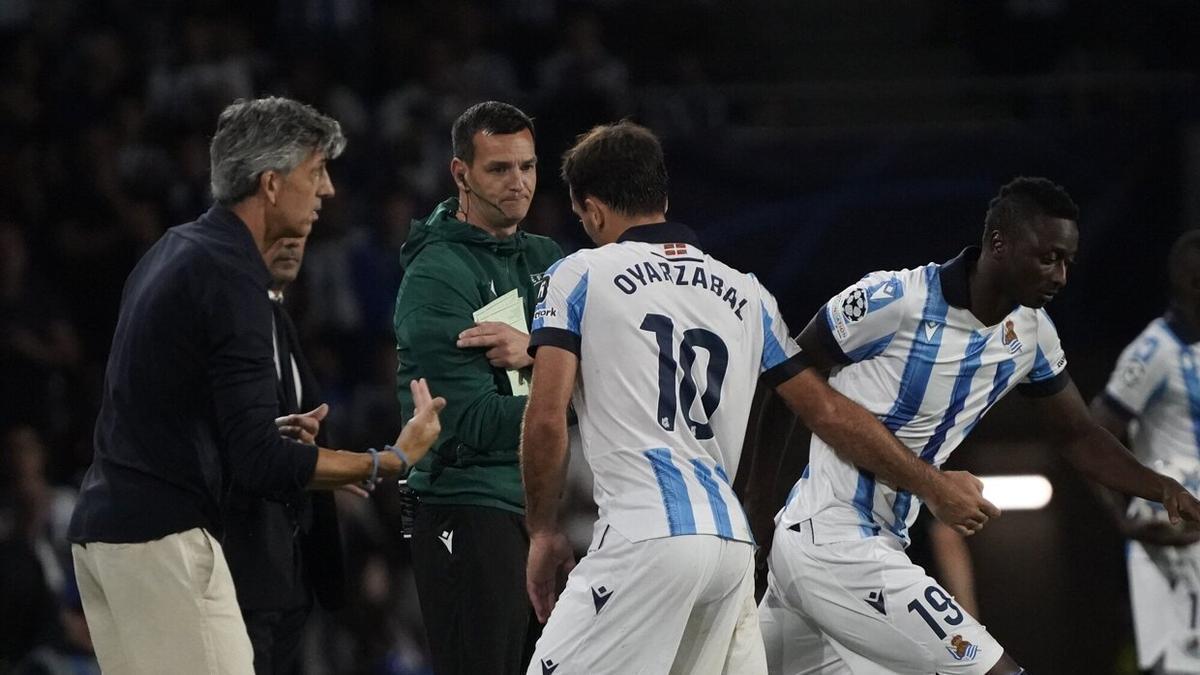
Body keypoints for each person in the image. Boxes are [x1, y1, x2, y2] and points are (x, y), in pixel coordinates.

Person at [520, 121, 999, 674]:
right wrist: (933, 484)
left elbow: (548, 419)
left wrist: (542, 529)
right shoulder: (747, 292)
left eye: (582, 218)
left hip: (644, 534)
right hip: (728, 546)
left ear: (592, 210)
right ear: (664, 197)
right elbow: (827, 412)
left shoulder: (578, 273)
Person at [757, 177, 1200, 675]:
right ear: (998, 243)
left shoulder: (1030, 334)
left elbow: (1078, 433)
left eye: (1068, 262)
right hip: (835, 542)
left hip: (859, 546)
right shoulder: (893, 300)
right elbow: (786, 380)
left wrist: (1160, 487)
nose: (1061, 277)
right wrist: (755, 514)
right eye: (1049, 257)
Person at [66, 97, 446, 675]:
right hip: (164, 541)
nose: (329, 192)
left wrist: (255, 428)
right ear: (271, 184)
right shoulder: (232, 276)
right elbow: (260, 460)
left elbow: (167, 406)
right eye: (316, 173)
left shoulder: (172, 251)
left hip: (107, 539)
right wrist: (387, 460)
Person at [392, 100, 563, 675]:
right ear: (461, 174)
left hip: (546, 508)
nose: (519, 184)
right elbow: (474, 422)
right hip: (468, 506)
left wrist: (538, 357)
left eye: (529, 167)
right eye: (499, 169)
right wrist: (564, 380)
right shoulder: (437, 274)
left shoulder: (549, 259)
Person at [220, 233, 351, 674]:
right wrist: (379, 463)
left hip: (293, 572)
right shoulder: (231, 328)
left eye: (298, 240)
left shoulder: (280, 321)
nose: (293, 248)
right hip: (245, 569)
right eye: (278, 239)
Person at [1091, 229, 1200, 674]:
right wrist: (1123, 520)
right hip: (1173, 543)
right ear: (1191, 285)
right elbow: (1093, 433)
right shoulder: (1154, 351)